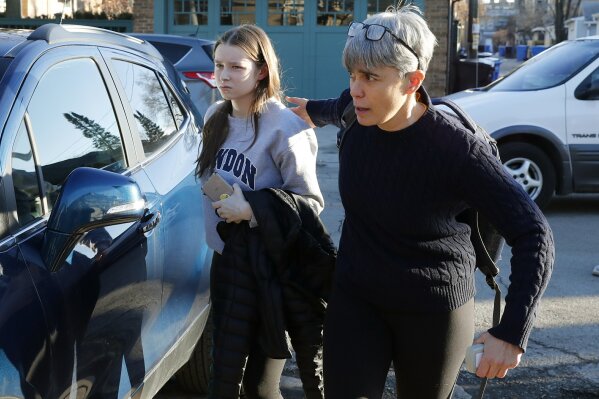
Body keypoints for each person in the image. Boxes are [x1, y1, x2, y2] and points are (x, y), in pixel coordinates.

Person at [286, 3, 554, 398]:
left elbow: (534, 233)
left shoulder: (457, 150)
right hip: (357, 298)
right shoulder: (355, 109)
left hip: (433, 310)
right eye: (352, 74)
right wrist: (308, 111)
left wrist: (512, 332)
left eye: (371, 77)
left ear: (413, 81)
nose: (357, 88)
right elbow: (332, 106)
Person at [196, 24, 334, 399]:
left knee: (259, 385)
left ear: (261, 71)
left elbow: (310, 207)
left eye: (236, 67)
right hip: (226, 262)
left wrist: (252, 210)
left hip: (270, 271)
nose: (223, 75)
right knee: (224, 375)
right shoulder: (214, 118)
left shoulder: (286, 129)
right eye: (219, 65)